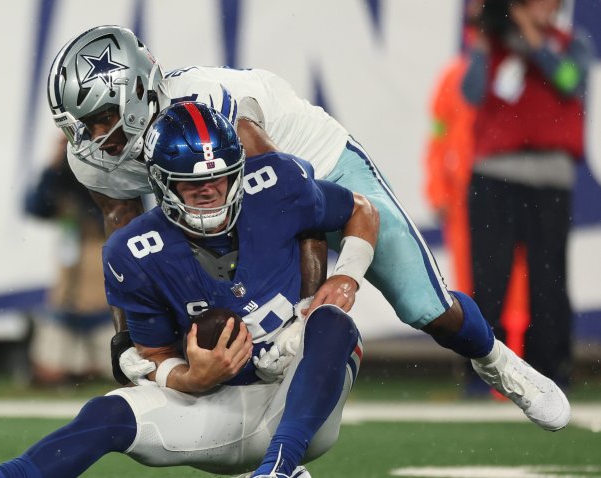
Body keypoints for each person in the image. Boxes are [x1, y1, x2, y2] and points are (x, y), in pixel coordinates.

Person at [46, 25, 570, 431]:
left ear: (138, 92)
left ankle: (496, 360)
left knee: (425, 306)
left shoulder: (212, 107)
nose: (91, 137)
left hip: (314, 165)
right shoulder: (94, 159)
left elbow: (288, 204)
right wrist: (128, 337)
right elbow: (128, 238)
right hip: (224, 196)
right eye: (80, 123)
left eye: (100, 118)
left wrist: (302, 309)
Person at [0, 101, 373, 478]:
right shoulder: (133, 251)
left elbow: (361, 210)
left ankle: (279, 467)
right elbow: (154, 356)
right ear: (161, 182)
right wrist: (194, 376)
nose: (208, 191)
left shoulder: (276, 182)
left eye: (218, 177)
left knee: (332, 323)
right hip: (217, 409)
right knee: (109, 410)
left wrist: (346, 275)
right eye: (190, 181)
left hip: (303, 402)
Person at [461, 0, 593, 388]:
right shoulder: (494, 46)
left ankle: (550, 372)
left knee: (548, 278)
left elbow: (572, 82)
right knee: (489, 277)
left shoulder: (573, 43)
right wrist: (484, 44)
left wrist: (534, 42)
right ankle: (482, 373)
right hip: (493, 176)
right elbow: (470, 94)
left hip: (549, 179)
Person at [422, 0, 531, 397]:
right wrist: (438, 188)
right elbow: (437, 138)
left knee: (520, 288)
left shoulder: (514, 69)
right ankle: (483, 373)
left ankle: (515, 375)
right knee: (475, 287)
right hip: (466, 199)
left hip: (505, 189)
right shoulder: (454, 77)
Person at [23, 138, 113, 384]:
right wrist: (54, 164)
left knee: (115, 371)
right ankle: (79, 366)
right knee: (48, 372)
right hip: (66, 303)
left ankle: (87, 365)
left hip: (105, 307)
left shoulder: (114, 173)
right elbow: (35, 206)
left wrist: (95, 163)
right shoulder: (61, 181)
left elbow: (119, 211)